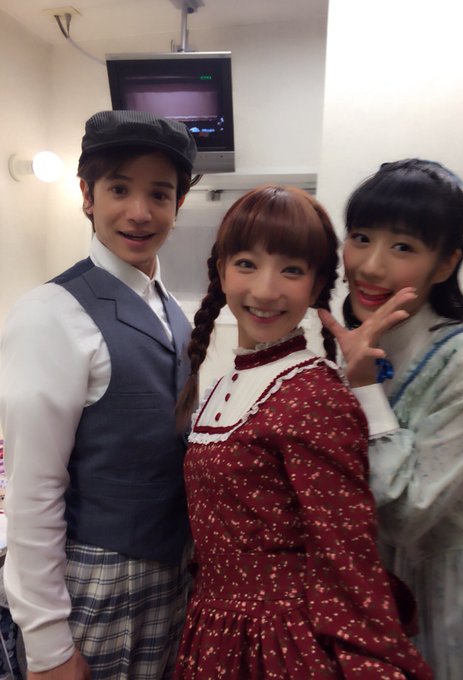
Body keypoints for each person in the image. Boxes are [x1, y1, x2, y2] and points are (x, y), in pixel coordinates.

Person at [172, 185, 432, 679]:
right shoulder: (227, 383)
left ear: (316, 286)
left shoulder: (315, 396)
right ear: (221, 270)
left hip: (282, 643)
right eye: (246, 263)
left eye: (291, 270)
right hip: (215, 629)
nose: (265, 290)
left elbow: (347, 555)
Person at [0, 110, 197, 679]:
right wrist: (47, 645)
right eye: (119, 189)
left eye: (159, 194)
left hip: (172, 573)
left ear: (178, 205)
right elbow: (32, 489)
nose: (139, 212)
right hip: (95, 580)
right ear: (87, 195)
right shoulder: (50, 313)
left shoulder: (173, 310)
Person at [320, 158, 463, 680]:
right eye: (361, 238)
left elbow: (406, 513)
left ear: (445, 264)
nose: (370, 266)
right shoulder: (364, 347)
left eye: (403, 247)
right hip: (391, 597)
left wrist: (362, 386)